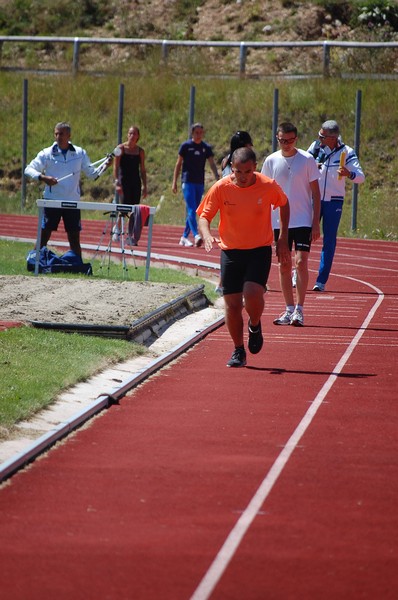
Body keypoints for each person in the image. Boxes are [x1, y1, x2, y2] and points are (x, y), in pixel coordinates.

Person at [198, 147, 290, 368]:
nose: (242, 177)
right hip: (231, 251)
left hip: (259, 249)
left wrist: (283, 237)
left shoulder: (267, 185)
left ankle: (255, 324)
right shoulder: (222, 187)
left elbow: (284, 204)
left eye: (247, 172)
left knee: (251, 293)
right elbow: (204, 215)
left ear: (254, 168)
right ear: (232, 168)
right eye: (238, 171)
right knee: (231, 304)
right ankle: (238, 350)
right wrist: (207, 234)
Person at [261, 122, 321, 327]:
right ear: (277, 139)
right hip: (278, 222)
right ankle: (288, 309)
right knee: (284, 264)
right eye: (282, 140)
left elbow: (316, 194)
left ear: (296, 139)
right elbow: (264, 192)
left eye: (290, 140)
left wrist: (315, 222)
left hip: (303, 220)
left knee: (301, 262)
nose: (286, 144)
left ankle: (300, 309)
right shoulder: (270, 161)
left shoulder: (307, 160)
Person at [24, 121, 112, 257]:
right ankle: (34, 261)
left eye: (62, 134)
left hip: (72, 201)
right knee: (45, 234)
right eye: (56, 133)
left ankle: (77, 265)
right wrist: (43, 177)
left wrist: (106, 165)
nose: (58, 136)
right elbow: (28, 169)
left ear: (69, 135)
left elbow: (92, 174)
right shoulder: (46, 153)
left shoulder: (79, 153)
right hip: (52, 200)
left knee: (74, 236)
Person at [308, 119, 365, 291]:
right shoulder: (315, 147)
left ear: (332, 138)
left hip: (334, 201)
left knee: (329, 240)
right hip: (314, 199)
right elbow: (302, 164)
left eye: (322, 136)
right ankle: (297, 274)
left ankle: (321, 281)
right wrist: (312, 166)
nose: (319, 139)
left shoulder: (346, 152)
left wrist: (349, 173)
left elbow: (361, 177)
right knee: (304, 236)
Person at [172, 122, 219, 248]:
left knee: (195, 211)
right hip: (187, 182)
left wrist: (217, 177)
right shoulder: (186, 146)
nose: (198, 135)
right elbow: (178, 164)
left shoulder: (205, 147)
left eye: (200, 133)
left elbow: (212, 163)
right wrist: (174, 182)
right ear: (192, 133)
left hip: (199, 182)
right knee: (191, 209)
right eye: (196, 133)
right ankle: (196, 235)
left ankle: (184, 237)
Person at [112, 125, 148, 242]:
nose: (132, 136)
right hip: (123, 182)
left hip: (135, 182)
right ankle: (117, 229)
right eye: (130, 133)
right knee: (124, 207)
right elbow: (115, 167)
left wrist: (144, 185)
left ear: (138, 136)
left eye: (134, 134)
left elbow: (142, 169)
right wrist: (117, 182)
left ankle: (130, 234)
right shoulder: (121, 148)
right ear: (127, 135)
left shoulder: (140, 151)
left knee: (134, 209)